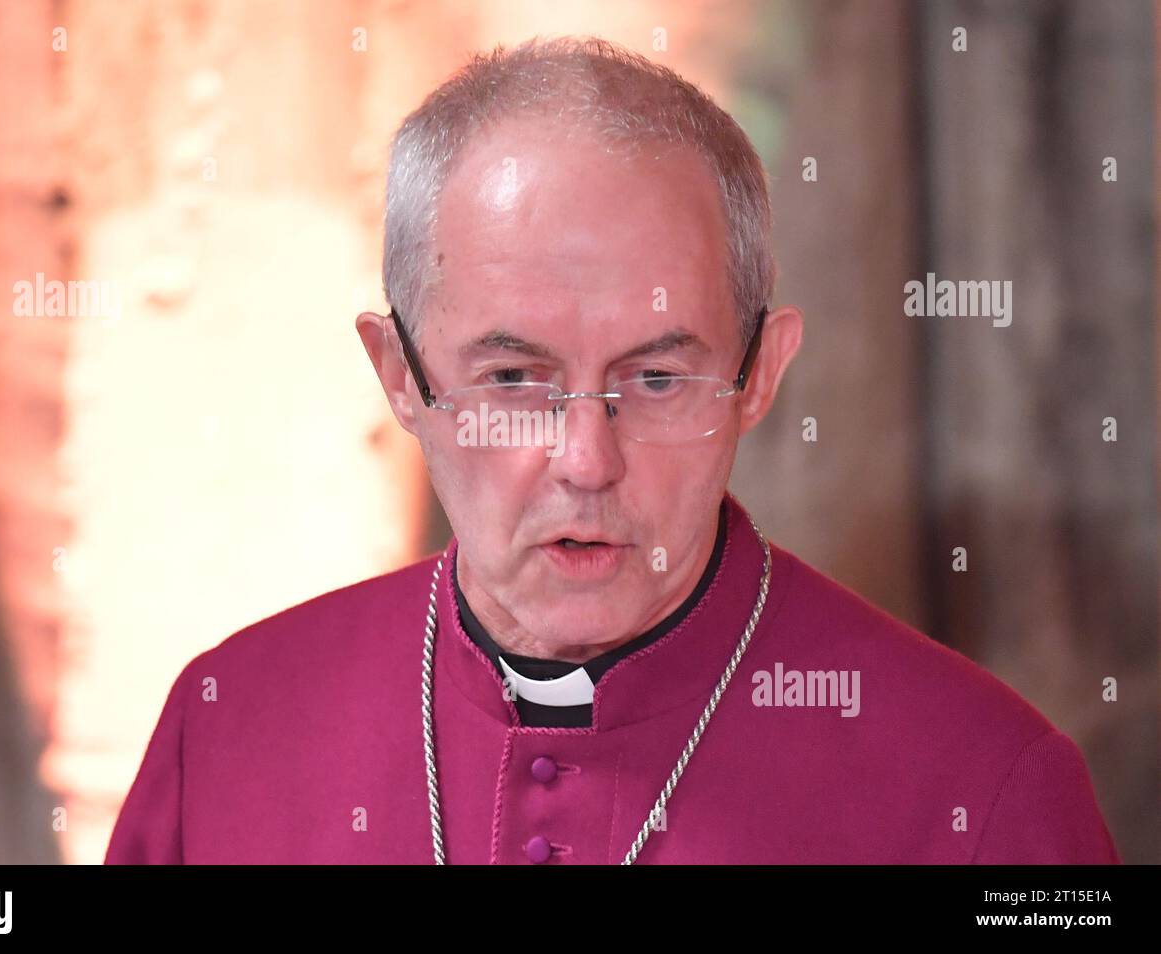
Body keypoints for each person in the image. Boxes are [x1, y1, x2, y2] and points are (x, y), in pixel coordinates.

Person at [105, 36, 1118, 864]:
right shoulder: (229, 728)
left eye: (656, 379)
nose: (586, 460)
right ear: (399, 377)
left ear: (760, 372)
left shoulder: (983, 792)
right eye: (511, 381)